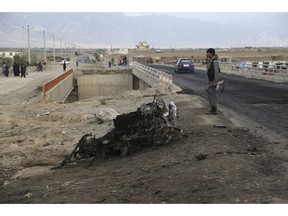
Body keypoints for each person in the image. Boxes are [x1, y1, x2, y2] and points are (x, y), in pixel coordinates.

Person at [206, 48, 220, 115]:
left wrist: (215, 82)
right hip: (210, 81)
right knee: (210, 95)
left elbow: (216, 73)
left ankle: (214, 110)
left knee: (212, 95)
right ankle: (212, 109)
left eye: (208, 53)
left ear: (211, 53)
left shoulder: (215, 62)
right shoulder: (211, 61)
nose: (207, 54)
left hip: (212, 82)